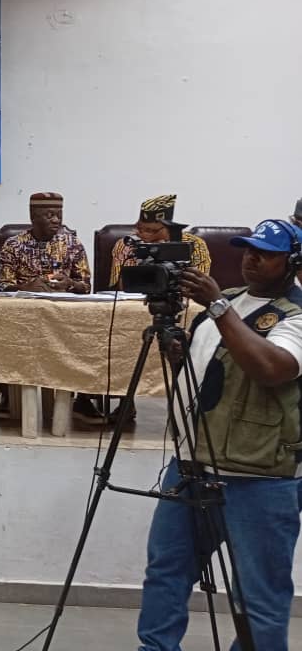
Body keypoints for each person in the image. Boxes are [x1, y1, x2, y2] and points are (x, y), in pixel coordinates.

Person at [136, 219, 302, 651]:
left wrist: (216, 307)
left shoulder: (295, 314)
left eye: (266, 253)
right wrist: (179, 355)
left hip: (258, 476)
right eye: (249, 249)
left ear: (292, 263)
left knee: (258, 596)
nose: (252, 259)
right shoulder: (230, 299)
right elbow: (209, 375)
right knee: (166, 572)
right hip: (190, 463)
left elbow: (272, 368)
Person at [0, 192, 100, 422]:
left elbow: (86, 285)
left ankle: (83, 399)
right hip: (24, 316)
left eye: (59, 215)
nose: (56, 220)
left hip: (64, 315)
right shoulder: (13, 245)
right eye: (49, 215)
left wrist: (70, 283)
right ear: (33, 216)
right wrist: (25, 287)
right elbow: (1, 286)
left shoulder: (72, 244)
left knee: (90, 333)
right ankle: (8, 395)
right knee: (3, 330)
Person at [109, 194, 211, 289]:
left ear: (168, 228)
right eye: (139, 228)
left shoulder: (194, 245)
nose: (142, 234)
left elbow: (199, 285)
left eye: (150, 230)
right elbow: (124, 286)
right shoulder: (127, 243)